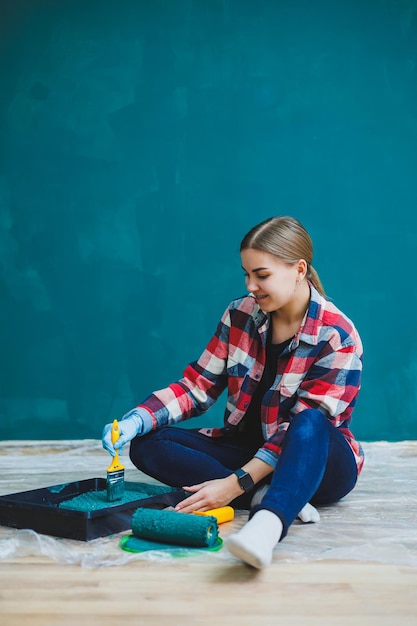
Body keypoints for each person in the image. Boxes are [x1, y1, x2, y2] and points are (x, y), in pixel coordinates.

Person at [102, 216, 364, 569]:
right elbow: (198, 386)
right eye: (246, 274)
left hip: (320, 463)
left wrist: (232, 485)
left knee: (310, 423)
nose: (251, 285)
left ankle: (268, 524)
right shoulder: (239, 313)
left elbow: (298, 428)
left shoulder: (338, 336)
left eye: (262, 274)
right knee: (148, 443)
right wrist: (136, 420)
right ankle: (268, 494)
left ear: (299, 269)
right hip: (247, 451)